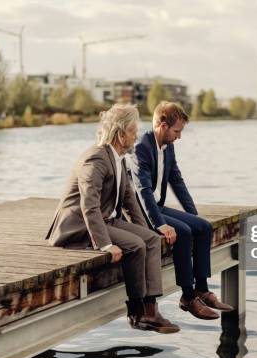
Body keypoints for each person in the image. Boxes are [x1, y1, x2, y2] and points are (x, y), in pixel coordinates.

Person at [45, 104, 179, 333]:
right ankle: (136, 313)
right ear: (121, 134)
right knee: (136, 246)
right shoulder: (96, 159)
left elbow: (130, 202)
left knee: (151, 240)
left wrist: (146, 230)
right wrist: (105, 244)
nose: (137, 134)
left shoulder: (119, 159)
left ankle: (151, 310)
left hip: (105, 219)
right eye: (134, 130)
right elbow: (89, 205)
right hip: (79, 226)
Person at [129, 101, 234, 320]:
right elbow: (143, 190)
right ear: (163, 125)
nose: (179, 136)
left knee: (202, 226)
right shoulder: (141, 147)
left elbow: (176, 179)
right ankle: (187, 296)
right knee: (184, 232)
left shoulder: (168, 146)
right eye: (177, 131)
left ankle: (202, 290)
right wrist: (161, 225)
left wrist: (192, 212)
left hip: (157, 205)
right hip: (140, 211)